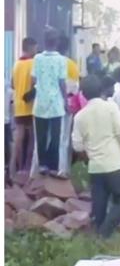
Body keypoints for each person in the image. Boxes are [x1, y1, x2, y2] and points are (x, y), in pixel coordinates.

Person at [71, 74, 120, 238]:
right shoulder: (111, 107)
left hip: (96, 167)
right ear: (101, 90)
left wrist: (88, 159)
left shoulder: (80, 116)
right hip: (116, 164)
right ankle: (105, 232)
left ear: (83, 94)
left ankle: (97, 239)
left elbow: (77, 146)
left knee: (99, 206)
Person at [31, 28, 68, 176]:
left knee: (40, 136)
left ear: (44, 42)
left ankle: (42, 165)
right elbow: (62, 82)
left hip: (40, 103)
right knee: (55, 136)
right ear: (57, 42)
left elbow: (33, 78)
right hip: (56, 104)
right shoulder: (61, 60)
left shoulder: (37, 58)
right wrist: (65, 100)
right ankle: (53, 166)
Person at [11, 36, 37, 177]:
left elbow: (14, 84)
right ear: (31, 47)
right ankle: (27, 168)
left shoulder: (16, 64)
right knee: (32, 138)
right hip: (30, 106)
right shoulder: (33, 63)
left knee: (18, 138)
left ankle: (15, 168)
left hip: (18, 106)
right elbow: (34, 83)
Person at [57, 34, 80, 177]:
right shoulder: (71, 65)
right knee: (64, 138)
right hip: (66, 106)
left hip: (49, 105)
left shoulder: (49, 62)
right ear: (67, 48)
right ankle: (63, 169)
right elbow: (75, 88)